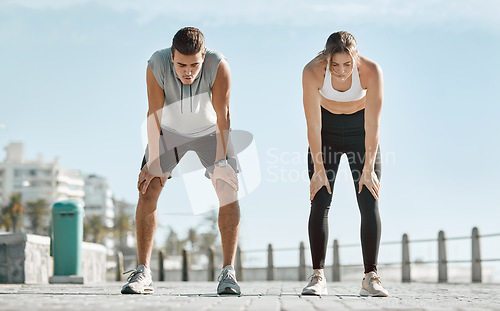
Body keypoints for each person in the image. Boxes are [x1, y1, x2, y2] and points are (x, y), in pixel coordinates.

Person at [121, 27, 241, 295]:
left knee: (228, 190)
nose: (188, 71)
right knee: (148, 188)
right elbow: (154, 113)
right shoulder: (156, 63)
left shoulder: (218, 64)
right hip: (169, 131)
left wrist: (221, 164)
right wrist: (153, 161)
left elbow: (224, 116)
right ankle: (143, 272)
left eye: (195, 65)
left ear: (204, 57)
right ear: (172, 56)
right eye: (182, 64)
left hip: (210, 131)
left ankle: (228, 272)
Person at [301, 31, 388, 297]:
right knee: (320, 199)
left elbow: (373, 123)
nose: (340, 71)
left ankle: (370, 277)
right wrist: (318, 170)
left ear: (356, 58)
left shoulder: (371, 71)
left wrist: (368, 167)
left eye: (347, 65)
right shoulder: (312, 71)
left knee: (368, 198)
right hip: (325, 132)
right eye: (334, 65)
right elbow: (313, 124)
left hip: (360, 133)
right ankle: (318, 276)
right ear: (326, 60)